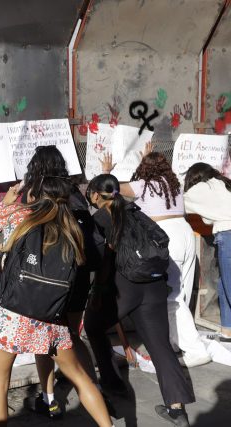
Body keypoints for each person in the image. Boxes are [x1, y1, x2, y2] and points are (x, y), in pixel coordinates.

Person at [0, 145, 101, 419]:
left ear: (34, 188)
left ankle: (49, 398)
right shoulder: (69, 217)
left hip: (13, 308)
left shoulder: (20, 214)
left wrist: (6, 204)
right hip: (53, 307)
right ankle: (73, 407)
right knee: (78, 375)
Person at [84, 174, 195, 427]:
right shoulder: (137, 212)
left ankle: (113, 385)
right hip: (154, 284)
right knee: (160, 345)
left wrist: (98, 292)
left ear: (95, 195)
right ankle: (177, 410)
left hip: (124, 286)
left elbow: (100, 260)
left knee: (93, 326)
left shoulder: (99, 220)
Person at [100, 148, 211, 367]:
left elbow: (109, 189)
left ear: (144, 170)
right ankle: (175, 341)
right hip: (186, 234)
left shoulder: (143, 185)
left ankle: (195, 349)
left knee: (170, 298)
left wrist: (106, 171)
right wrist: (145, 160)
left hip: (166, 237)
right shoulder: (175, 184)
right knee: (181, 293)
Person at [183, 162, 231, 342]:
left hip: (228, 234)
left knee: (229, 285)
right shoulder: (223, 184)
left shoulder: (200, 189)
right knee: (223, 284)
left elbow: (177, 203)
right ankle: (227, 331)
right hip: (226, 234)